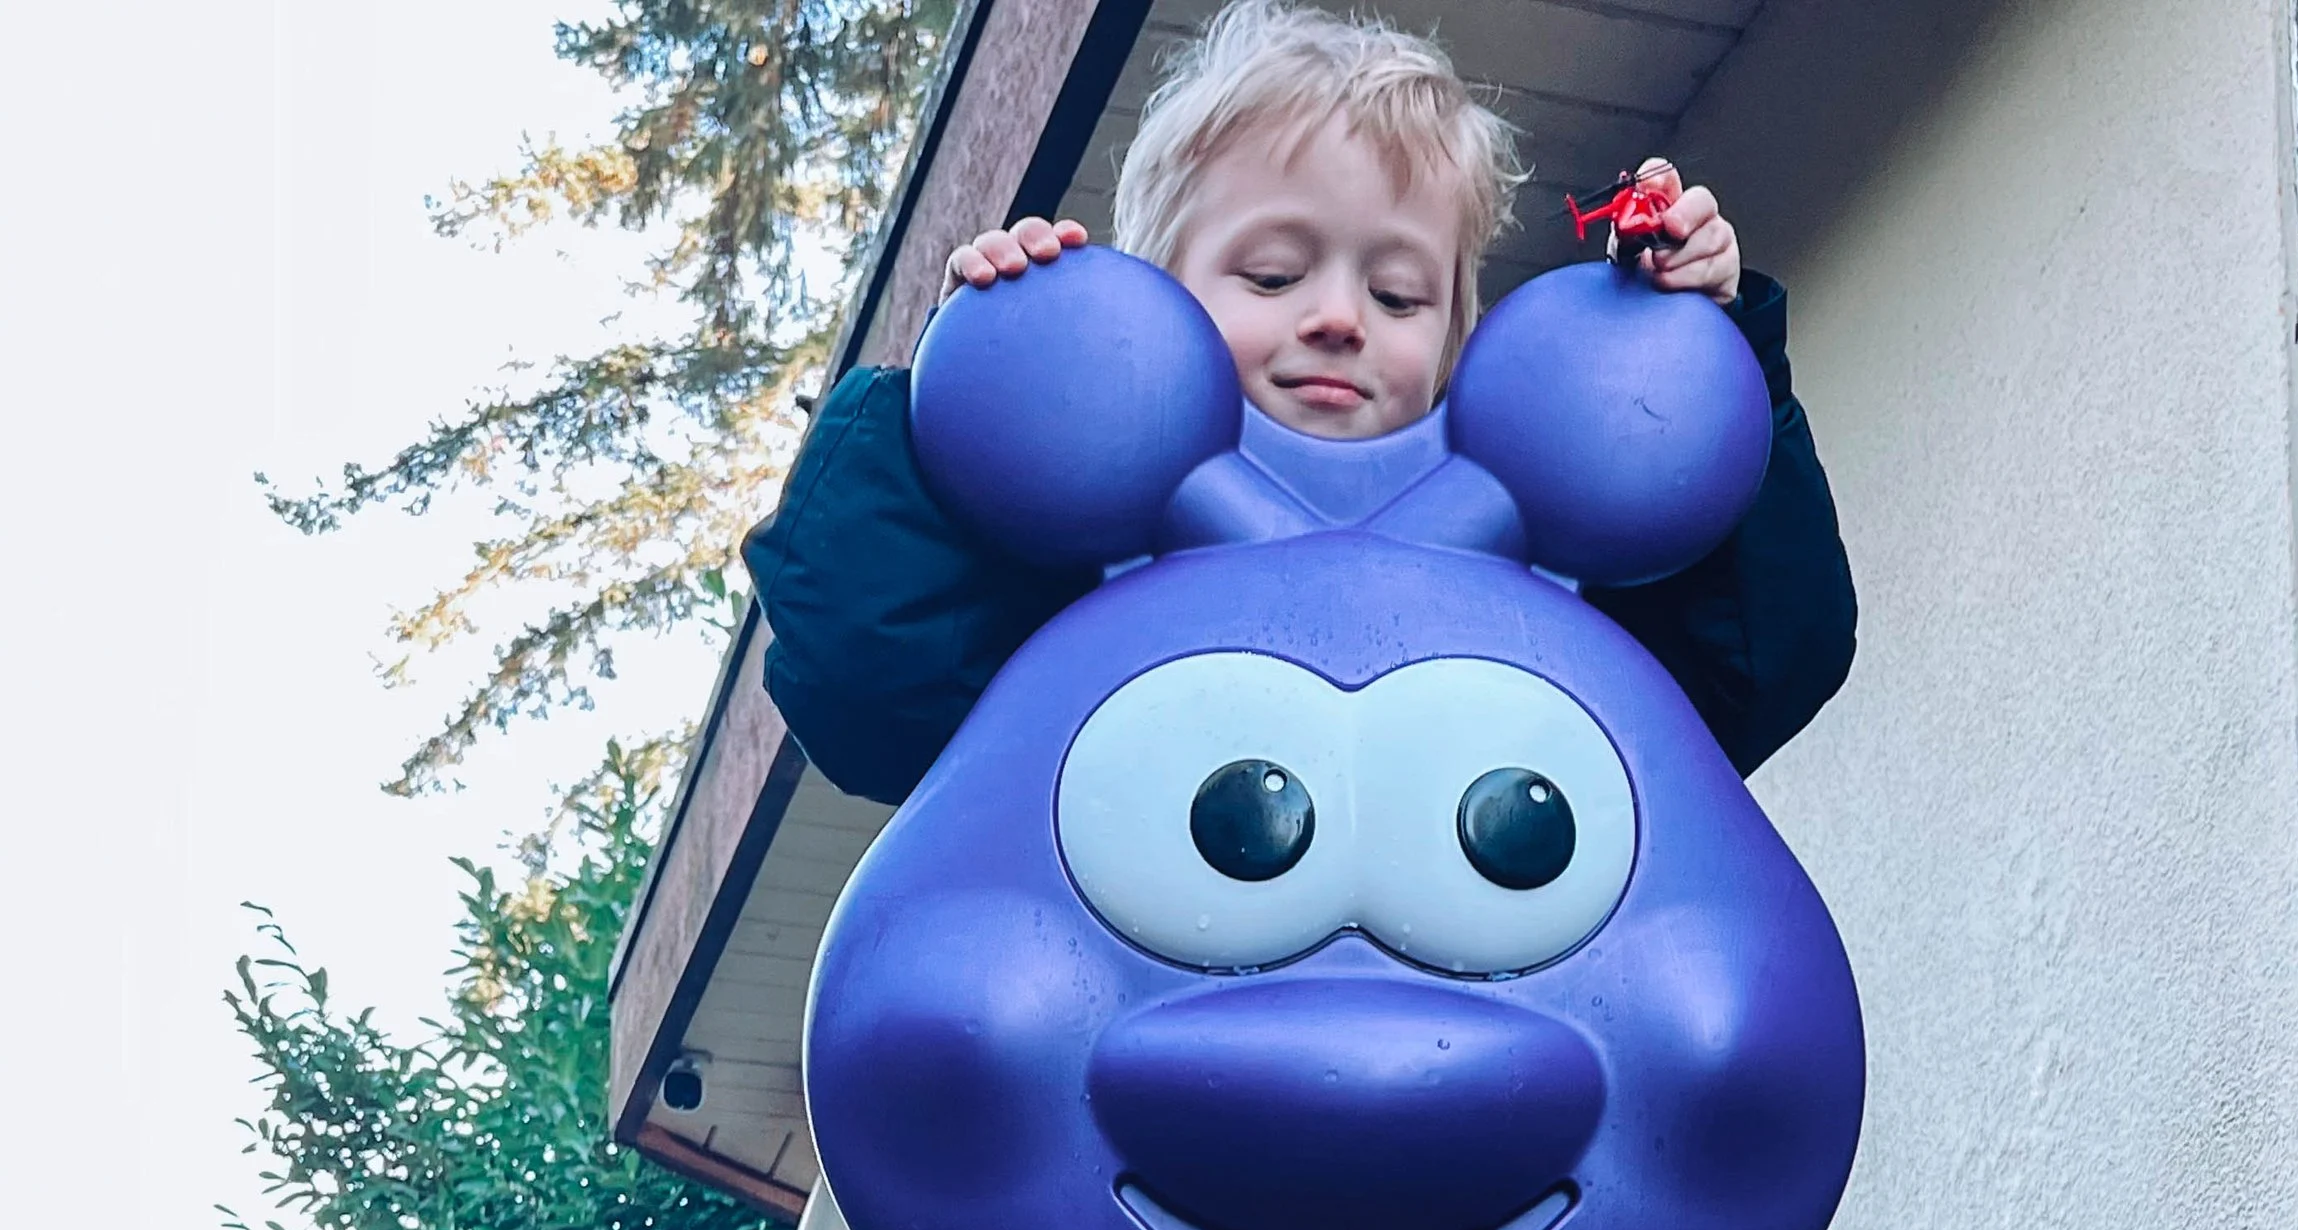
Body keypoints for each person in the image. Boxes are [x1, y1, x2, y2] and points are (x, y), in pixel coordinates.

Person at [743, 0, 1858, 813]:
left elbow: (1758, 674)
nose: (1338, 318)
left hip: (1459, 1092)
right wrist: (960, 405)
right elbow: (869, 693)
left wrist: (1708, 354)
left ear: (1459, 337)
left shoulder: (1535, 575)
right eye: (1272, 277)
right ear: (1145, 309)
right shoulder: (1065, 566)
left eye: (1399, 293)